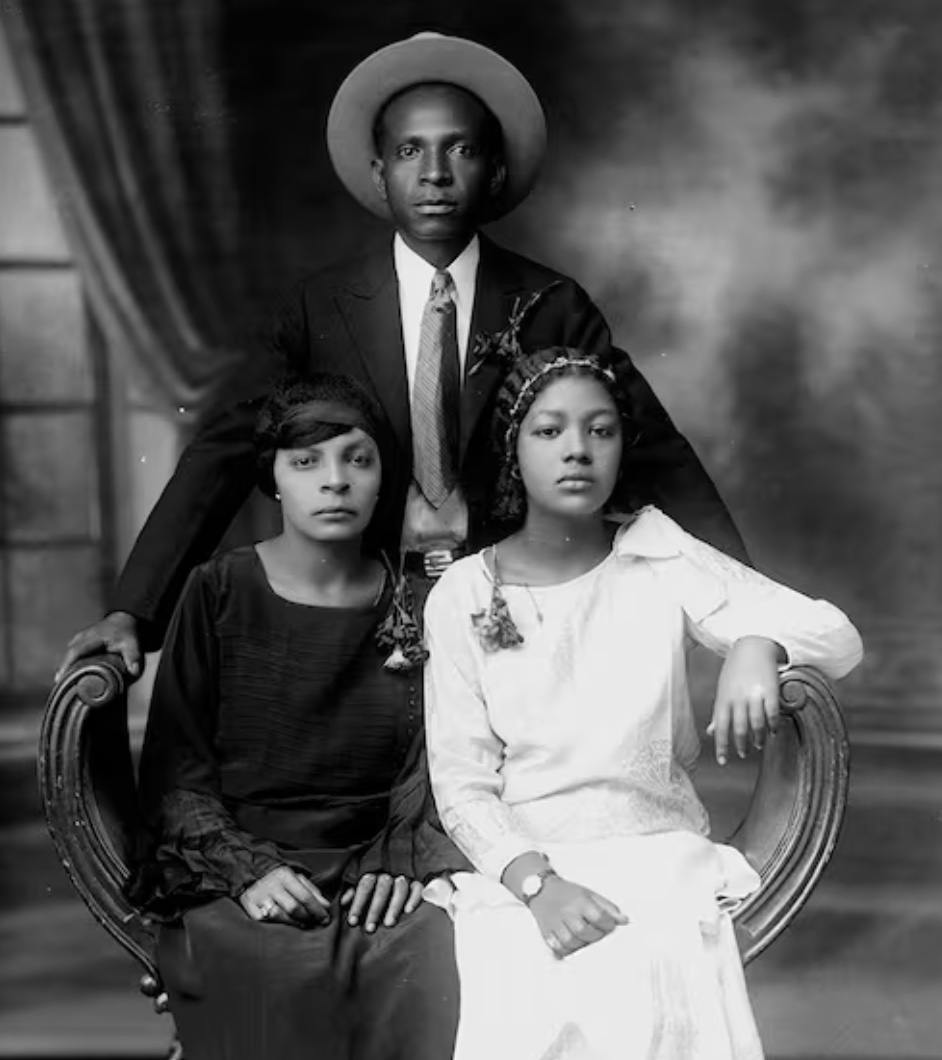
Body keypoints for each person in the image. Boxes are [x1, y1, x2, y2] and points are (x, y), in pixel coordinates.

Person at [57, 31, 745, 680]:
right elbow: (225, 450)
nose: (436, 174)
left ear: (496, 170)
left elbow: (656, 452)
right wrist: (132, 609)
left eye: (461, 150)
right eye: (412, 152)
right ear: (380, 173)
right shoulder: (319, 308)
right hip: (359, 629)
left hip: (520, 629)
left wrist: (749, 605)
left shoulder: (550, 304)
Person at [422, 346, 864, 1060]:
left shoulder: (657, 556)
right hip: (526, 865)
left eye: (600, 431)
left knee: (648, 975)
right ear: (512, 447)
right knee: (532, 987)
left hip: (658, 856)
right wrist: (539, 887)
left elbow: (835, 636)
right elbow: (462, 785)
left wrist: (759, 645)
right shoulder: (467, 594)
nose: (578, 451)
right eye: (550, 431)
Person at [128, 374, 468, 1060]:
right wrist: (247, 872)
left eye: (357, 460)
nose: (335, 482)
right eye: (306, 462)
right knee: (272, 968)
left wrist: (400, 857)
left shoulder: (428, 600)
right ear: (273, 479)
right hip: (250, 857)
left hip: (383, 862)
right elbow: (178, 772)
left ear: (382, 482)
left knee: (429, 958)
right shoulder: (218, 590)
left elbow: (443, 756)